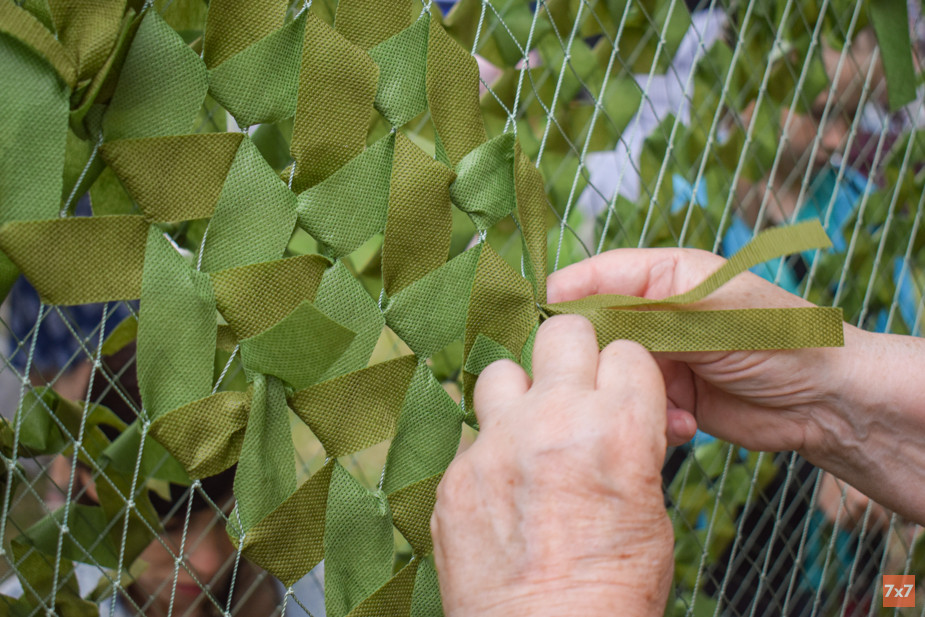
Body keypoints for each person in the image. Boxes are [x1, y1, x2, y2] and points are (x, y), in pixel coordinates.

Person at [431, 245, 925, 616]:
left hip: (854, 570)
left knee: (894, 594)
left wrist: (561, 598)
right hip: (798, 570)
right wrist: (837, 406)